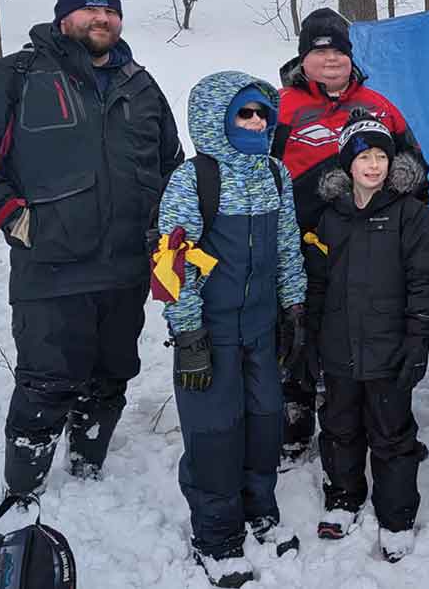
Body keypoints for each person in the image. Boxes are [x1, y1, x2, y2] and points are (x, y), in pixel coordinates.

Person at [0, 0, 183, 500]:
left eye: (111, 10)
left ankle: (87, 464)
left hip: (125, 271)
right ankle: (23, 487)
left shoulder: (141, 86)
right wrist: (14, 217)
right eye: (90, 8)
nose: (102, 18)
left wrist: (163, 240)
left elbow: (172, 164)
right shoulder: (15, 76)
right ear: (64, 15)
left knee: (111, 376)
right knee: (47, 380)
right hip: (51, 269)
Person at [154, 71, 306, 587]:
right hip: (209, 333)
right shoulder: (194, 178)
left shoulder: (275, 175)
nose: (258, 121)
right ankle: (216, 538)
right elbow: (171, 259)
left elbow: (287, 247)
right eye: (246, 113)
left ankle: (259, 511)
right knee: (215, 433)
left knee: (264, 421)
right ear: (218, 118)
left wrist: (294, 308)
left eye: (264, 113)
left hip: (261, 330)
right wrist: (189, 332)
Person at [272, 7, 429, 467]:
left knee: (366, 329)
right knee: (299, 328)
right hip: (301, 241)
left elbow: (416, 167)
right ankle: (296, 420)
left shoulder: (380, 105)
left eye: (339, 50)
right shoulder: (281, 105)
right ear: (303, 58)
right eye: (320, 50)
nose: (331, 59)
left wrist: (406, 198)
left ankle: (386, 426)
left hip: (370, 240)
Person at [304, 110, 429, 563]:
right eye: (363, 155)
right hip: (340, 344)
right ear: (348, 162)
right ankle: (344, 498)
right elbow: (318, 282)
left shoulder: (412, 215)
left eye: (382, 155)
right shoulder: (330, 218)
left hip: (388, 347)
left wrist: (418, 338)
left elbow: (425, 282)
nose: (373, 165)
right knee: (340, 426)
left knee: (392, 433)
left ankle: (397, 515)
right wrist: (310, 336)